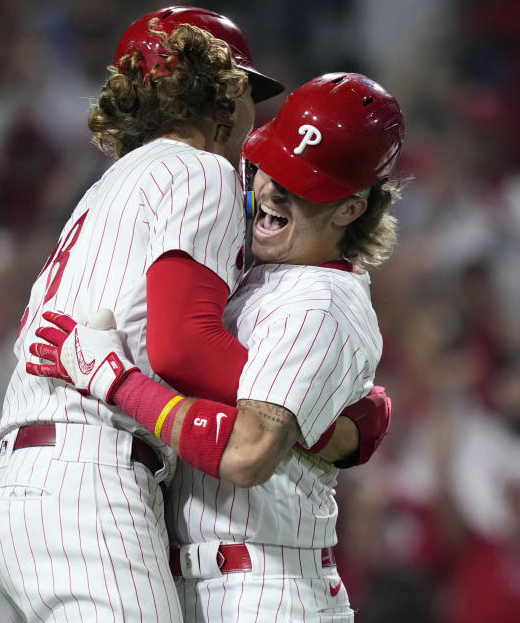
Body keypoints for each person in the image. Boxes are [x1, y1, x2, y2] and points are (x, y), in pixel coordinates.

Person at [26, 73, 404, 622]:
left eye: (304, 183)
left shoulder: (321, 298)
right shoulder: (262, 275)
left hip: (268, 590)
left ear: (350, 208)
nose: (273, 187)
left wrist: (113, 379)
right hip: (211, 583)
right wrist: (335, 430)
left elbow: (248, 453)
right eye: (273, 164)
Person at [0, 6, 284, 623]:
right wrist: (300, 399)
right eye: (247, 89)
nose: (254, 111)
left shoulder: (113, 184)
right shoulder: (200, 169)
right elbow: (183, 344)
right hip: (88, 481)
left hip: (30, 483)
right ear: (216, 90)